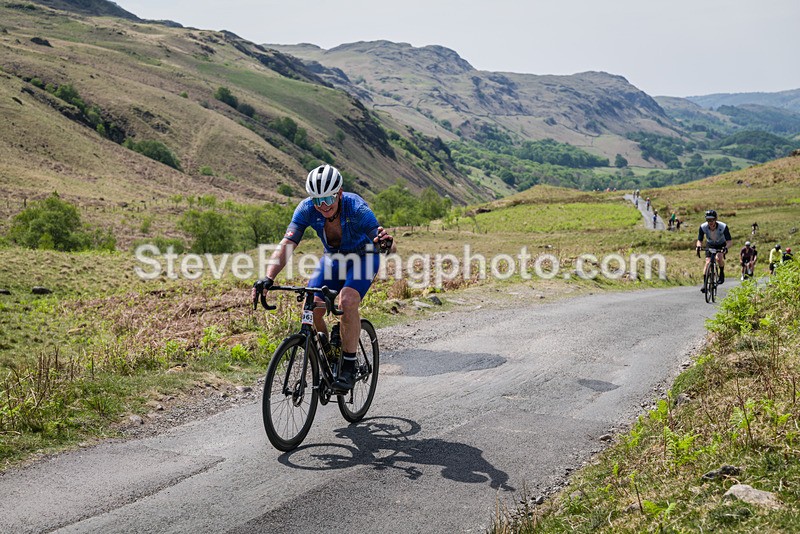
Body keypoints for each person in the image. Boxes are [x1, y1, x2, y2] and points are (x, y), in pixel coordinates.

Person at [252, 164, 396, 392]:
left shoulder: (356, 207)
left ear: (339, 193)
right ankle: (329, 354)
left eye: (328, 199)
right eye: (317, 200)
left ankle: (348, 365)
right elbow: (287, 244)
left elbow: (383, 239)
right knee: (312, 307)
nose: (323, 206)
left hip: (364, 258)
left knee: (347, 302)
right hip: (333, 260)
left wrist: (386, 243)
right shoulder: (307, 209)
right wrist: (268, 277)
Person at [696, 209, 732, 292]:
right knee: (708, 262)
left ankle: (721, 273)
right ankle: (705, 284)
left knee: (719, 258)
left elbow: (729, 242)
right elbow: (699, 240)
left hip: (721, 244)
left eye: (712, 220)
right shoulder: (703, 227)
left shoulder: (723, 227)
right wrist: (698, 246)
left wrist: (726, 248)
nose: (710, 222)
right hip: (710, 244)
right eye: (708, 220)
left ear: (715, 219)